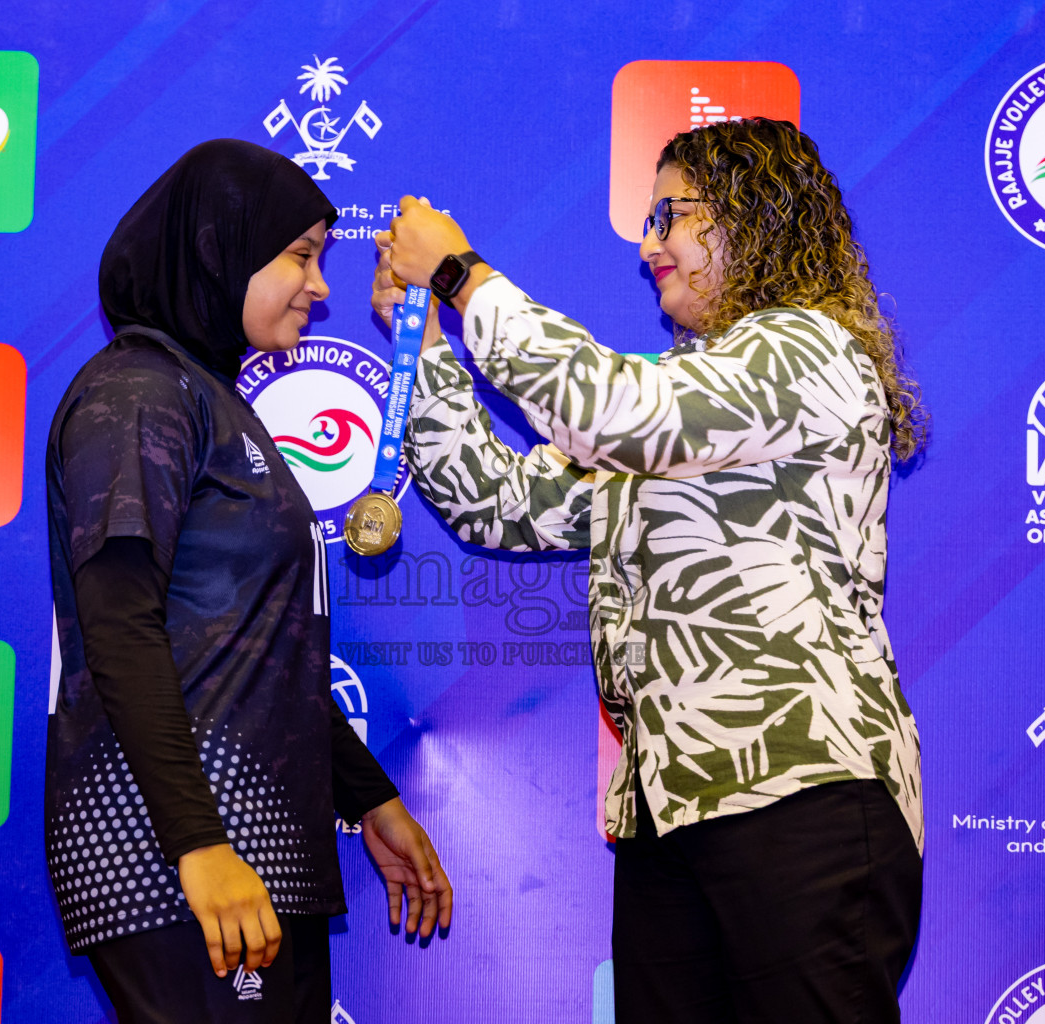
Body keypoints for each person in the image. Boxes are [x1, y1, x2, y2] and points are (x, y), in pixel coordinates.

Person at [373, 118, 924, 1023]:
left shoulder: (806, 352)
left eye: (670, 214)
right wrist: (424, 346)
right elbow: (495, 503)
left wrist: (463, 276)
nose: (647, 242)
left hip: (803, 798)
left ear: (751, 218)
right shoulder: (679, 403)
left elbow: (613, 410)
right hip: (670, 813)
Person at [45, 139, 451, 1024]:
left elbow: (260, 658)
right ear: (215, 250)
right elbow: (119, 627)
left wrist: (368, 796)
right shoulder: (138, 393)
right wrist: (198, 844)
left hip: (257, 850)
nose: (321, 286)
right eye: (301, 255)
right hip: (178, 856)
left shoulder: (214, 402)